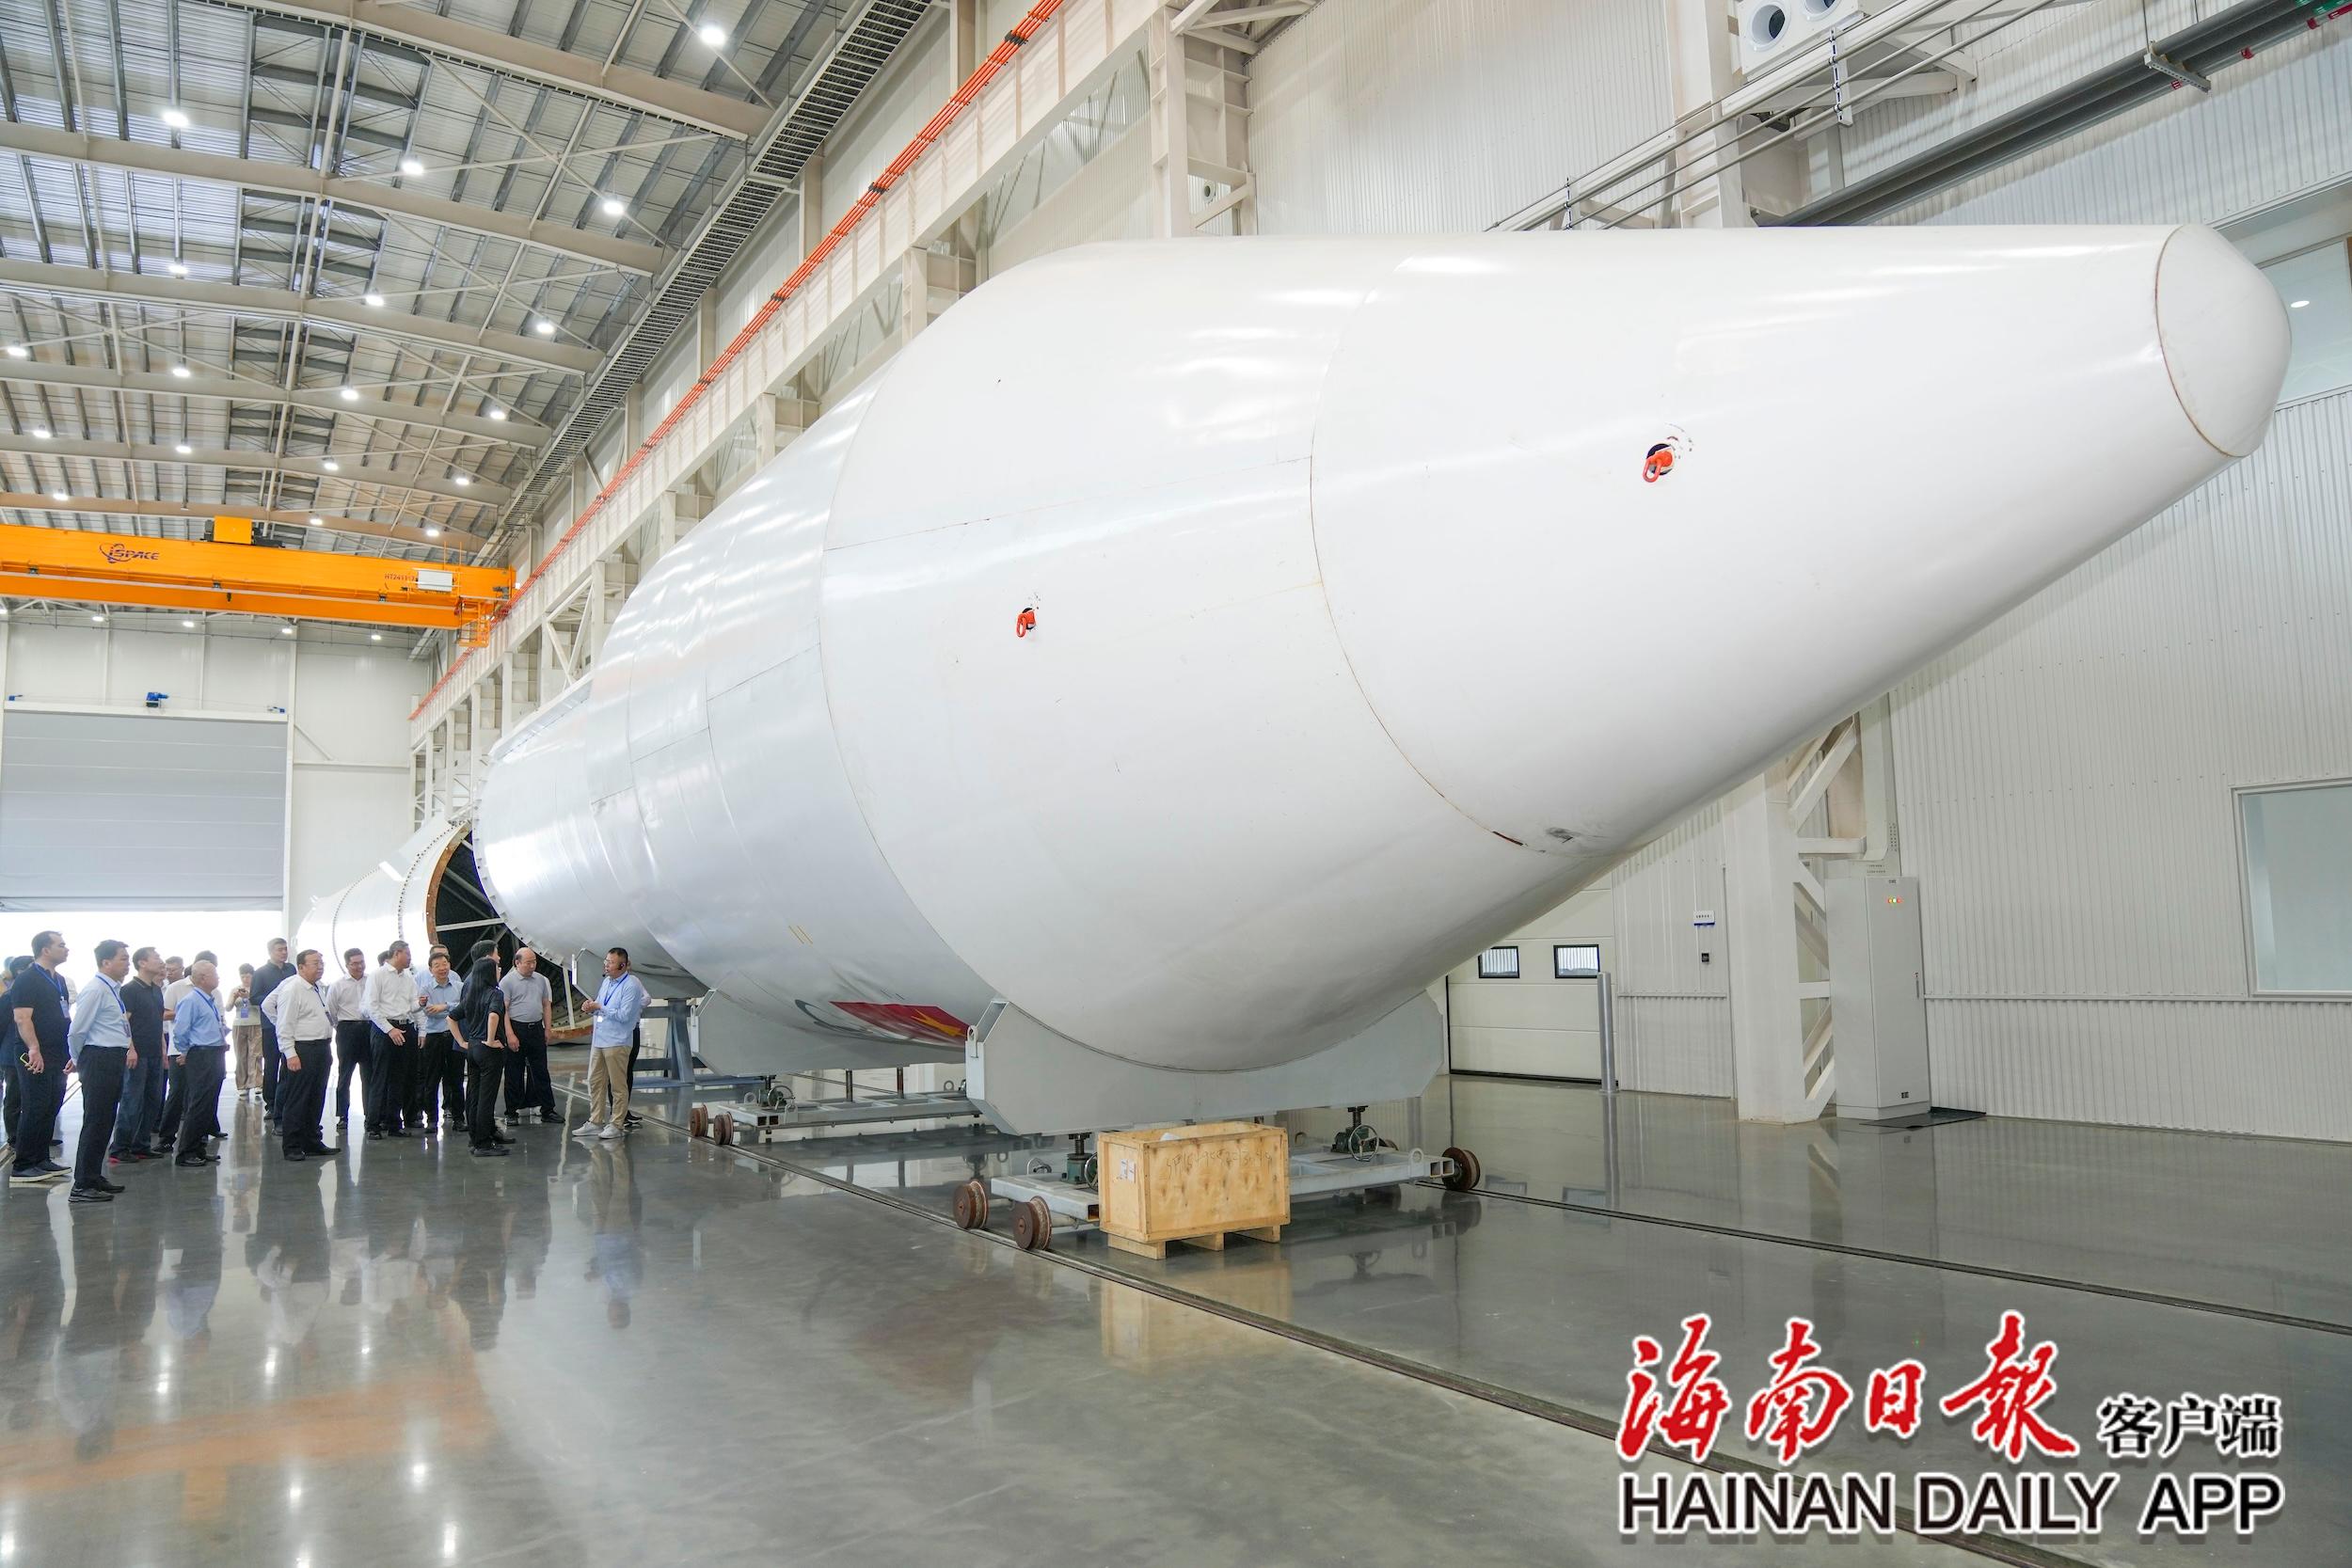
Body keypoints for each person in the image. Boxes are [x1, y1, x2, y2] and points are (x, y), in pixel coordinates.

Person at [64, 940, 135, 1204]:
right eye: (123, 958)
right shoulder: (95, 989)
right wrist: (78, 1059)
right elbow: (77, 1031)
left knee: (105, 1120)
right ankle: (82, 1184)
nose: (127, 964)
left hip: (112, 1057)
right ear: (106, 962)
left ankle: (94, 1176)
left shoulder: (112, 989)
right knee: (95, 1121)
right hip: (98, 1058)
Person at [8, 930, 73, 1185]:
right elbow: (22, 1018)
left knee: (51, 1105)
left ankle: (40, 1158)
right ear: (46, 950)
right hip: (34, 1052)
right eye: (61, 945)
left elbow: (63, 1016)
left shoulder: (59, 980)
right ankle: (23, 1165)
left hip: (57, 1052)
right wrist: (34, 1048)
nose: (66, 949)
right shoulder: (28, 979)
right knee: (35, 1106)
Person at [264, 950, 336, 1161]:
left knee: (316, 1097)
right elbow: (284, 1023)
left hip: (321, 1048)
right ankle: (293, 1145)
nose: (320, 966)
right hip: (303, 1049)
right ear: (301, 967)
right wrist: (290, 1052)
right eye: (315, 963)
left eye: (321, 962)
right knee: (298, 1099)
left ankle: (312, 1141)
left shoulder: (317, 987)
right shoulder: (293, 988)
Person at [166, 958, 234, 1168]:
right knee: (198, 1103)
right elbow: (180, 1031)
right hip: (201, 1055)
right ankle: (186, 1151)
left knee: (208, 1103)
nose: (218, 977)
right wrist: (186, 1051)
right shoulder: (191, 1000)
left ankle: (198, 1148)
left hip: (214, 1053)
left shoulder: (209, 999)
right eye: (214, 974)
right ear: (203, 978)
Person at [573, 948, 646, 1142]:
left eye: (610, 962)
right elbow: (600, 1004)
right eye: (606, 961)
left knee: (618, 1085)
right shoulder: (607, 982)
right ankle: (595, 1120)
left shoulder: (631, 985)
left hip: (617, 1041)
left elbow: (624, 1015)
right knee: (595, 1081)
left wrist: (600, 1007)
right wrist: (591, 1007)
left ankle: (616, 1124)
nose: (606, 965)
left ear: (622, 965)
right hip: (600, 1040)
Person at [109, 948, 168, 1168]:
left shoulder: (156, 990)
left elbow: (158, 1023)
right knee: (132, 1100)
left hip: (154, 1053)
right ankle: (120, 1147)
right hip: (137, 1054)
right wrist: (130, 1049)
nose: (161, 961)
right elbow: (124, 1023)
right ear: (142, 963)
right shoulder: (129, 990)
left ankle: (141, 1145)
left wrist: (163, 1050)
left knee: (153, 1100)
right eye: (156, 958)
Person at [453, 957, 513, 1158]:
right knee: (487, 1098)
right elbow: (494, 1015)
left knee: (474, 1096)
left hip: (472, 1048)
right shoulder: (495, 993)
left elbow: (451, 1017)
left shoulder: (471, 994)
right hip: (488, 1051)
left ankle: (475, 1138)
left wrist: (462, 1041)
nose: (500, 971)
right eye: (497, 968)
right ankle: (484, 1144)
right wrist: (490, 1039)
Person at [362, 942, 422, 1141]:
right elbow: (372, 1007)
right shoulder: (378, 975)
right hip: (384, 1029)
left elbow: (411, 1005)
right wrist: (390, 1029)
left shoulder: (408, 977)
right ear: (397, 954)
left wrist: (420, 1003)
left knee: (399, 1078)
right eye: (407, 954)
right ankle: (373, 1124)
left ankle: (394, 1123)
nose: (410, 958)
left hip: (405, 1027)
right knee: (380, 1077)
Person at [500, 946, 560, 1125]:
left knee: (541, 1071)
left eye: (534, 962)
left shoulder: (541, 980)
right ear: (517, 963)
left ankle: (547, 1109)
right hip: (516, 1028)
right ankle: (511, 1112)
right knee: (514, 1072)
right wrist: (510, 1034)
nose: (532, 966)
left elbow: (546, 1005)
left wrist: (547, 1028)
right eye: (528, 963)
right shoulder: (507, 982)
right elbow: (504, 1010)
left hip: (536, 1029)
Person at [413, 947, 464, 1134]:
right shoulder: (425, 989)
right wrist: (452, 1009)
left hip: (455, 1036)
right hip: (434, 1038)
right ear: (431, 969)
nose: (442, 968)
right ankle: (432, 1120)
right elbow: (428, 1011)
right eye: (437, 965)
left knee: (456, 1079)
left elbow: (464, 1007)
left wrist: (444, 1006)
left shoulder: (459, 986)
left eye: (445, 964)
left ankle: (459, 1118)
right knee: (431, 1080)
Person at [325, 950, 370, 1134]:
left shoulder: (371, 981)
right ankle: (342, 1116)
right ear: (347, 965)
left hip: (368, 1028)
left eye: (361, 962)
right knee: (345, 1074)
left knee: (369, 1075)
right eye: (354, 963)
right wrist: (341, 1027)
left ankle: (371, 1114)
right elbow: (330, 1011)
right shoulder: (338, 985)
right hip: (347, 1030)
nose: (359, 966)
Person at [250, 937, 295, 1118]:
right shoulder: (261, 973)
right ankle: (271, 1103)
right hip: (271, 1025)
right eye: (280, 949)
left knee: (289, 1062)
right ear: (270, 952)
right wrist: (277, 999)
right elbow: (254, 997)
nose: (284, 952)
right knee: (272, 1063)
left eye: (285, 949)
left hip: (291, 1024)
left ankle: (287, 1101)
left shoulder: (291, 969)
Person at [153, 956, 189, 1151]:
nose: (168, 973)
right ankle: (164, 1132)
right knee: (172, 1088)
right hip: (169, 1040)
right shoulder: (171, 989)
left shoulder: (193, 989)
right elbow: (163, 1014)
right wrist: (186, 1011)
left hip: (189, 1044)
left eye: (172, 970)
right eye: (166, 969)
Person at [1, 953, 31, 1163]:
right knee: (14, 1098)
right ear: (20, 971)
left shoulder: (31, 994)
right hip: (11, 1055)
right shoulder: (9, 997)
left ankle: (31, 1135)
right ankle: (14, 1138)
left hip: (30, 1053)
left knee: (31, 1097)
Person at [230, 963, 263, 1101]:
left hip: (256, 1023)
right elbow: (227, 1007)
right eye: (242, 976)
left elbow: (262, 1005)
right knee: (241, 1055)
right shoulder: (235, 989)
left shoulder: (256, 990)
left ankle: (257, 1083)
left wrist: (249, 996)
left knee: (256, 1054)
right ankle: (242, 1085)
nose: (245, 979)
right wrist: (234, 997)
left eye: (248, 976)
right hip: (239, 1024)